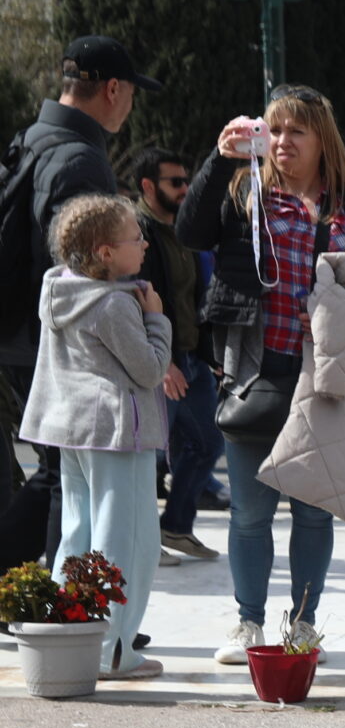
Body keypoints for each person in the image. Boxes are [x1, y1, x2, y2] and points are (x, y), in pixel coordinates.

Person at [178, 86, 345, 664]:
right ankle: (248, 623)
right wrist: (221, 159)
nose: (283, 142)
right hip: (253, 370)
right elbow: (191, 232)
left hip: (322, 373)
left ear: (322, 140)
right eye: (275, 129)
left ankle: (304, 624)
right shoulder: (245, 190)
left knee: (314, 510)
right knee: (250, 510)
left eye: (296, 131)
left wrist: (343, 320)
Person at [1, 37, 157, 561]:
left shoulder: (34, 138)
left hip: (23, 333)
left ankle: (67, 609)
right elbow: (84, 268)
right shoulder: (80, 161)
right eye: (132, 92)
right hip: (54, 343)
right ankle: (67, 613)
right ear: (113, 89)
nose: (131, 103)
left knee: (57, 474)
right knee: (60, 479)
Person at [14, 194, 172, 676]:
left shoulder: (57, 288)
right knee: (128, 541)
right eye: (134, 238)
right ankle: (114, 650)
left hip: (74, 430)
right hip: (118, 432)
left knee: (77, 535)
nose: (144, 244)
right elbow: (148, 370)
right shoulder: (116, 305)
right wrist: (157, 319)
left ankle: (72, 639)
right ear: (105, 253)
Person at [133, 147, 219, 564]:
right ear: (148, 187)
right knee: (150, 453)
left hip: (191, 358)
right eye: (175, 182)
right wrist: (161, 361)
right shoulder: (137, 233)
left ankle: (176, 527)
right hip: (160, 363)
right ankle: (149, 539)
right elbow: (136, 300)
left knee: (207, 442)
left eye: (187, 180)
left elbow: (193, 297)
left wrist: (209, 353)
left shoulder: (184, 230)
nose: (185, 189)